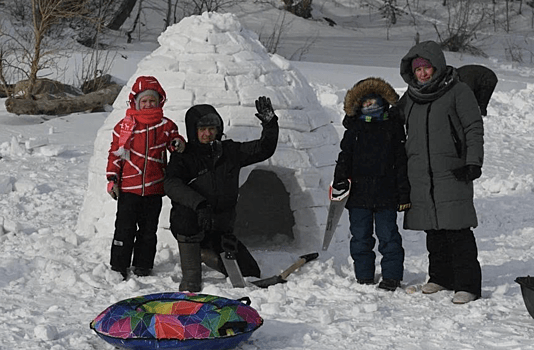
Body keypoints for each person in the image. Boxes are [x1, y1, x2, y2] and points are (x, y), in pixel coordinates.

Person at [398, 41, 484, 304]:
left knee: (457, 229)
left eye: (427, 68)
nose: (422, 74)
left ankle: (467, 285)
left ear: (437, 66)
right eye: (418, 70)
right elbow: (392, 125)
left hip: (452, 169)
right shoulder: (410, 97)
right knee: (433, 230)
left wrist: (473, 161)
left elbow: (473, 127)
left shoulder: (458, 91)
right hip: (421, 172)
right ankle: (440, 277)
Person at [164, 96, 279, 292]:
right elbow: (171, 185)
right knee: (184, 216)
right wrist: (200, 205)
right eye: (202, 130)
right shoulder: (184, 155)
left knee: (250, 271)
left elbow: (264, 149)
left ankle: (204, 254)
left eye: (212, 129)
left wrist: (270, 124)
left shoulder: (230, 151)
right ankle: (191, 270)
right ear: (194, 131)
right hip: (194, 222)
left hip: (219, 226)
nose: (208, 134)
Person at [333, 77, 411, 292]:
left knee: (389, 237)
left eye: (374, 101)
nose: (370, 106)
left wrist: (404, 193)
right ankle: (364, 275)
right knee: (360, 237)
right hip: (358, 195)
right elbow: (344, 158)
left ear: (383, 102)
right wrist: (340, 181)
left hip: (386, 194)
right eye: (365, 103)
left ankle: (392, 276)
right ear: (358, 106)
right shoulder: (354, 130)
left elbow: (401, 162)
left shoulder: (393, 128)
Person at [106, 75, 185, 280]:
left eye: (152, 100)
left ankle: (143, 265)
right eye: (144, 101)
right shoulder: (124, 126)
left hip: (154, 188)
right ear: (135, 102)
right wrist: (113, 179)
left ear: (160, 101)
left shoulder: (166, 126)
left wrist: (177, 143)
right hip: (128, 189)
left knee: (148, 231)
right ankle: (119, 265)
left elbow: (173, 142)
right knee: (124, 228)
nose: (148, 104)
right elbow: (115, 155)